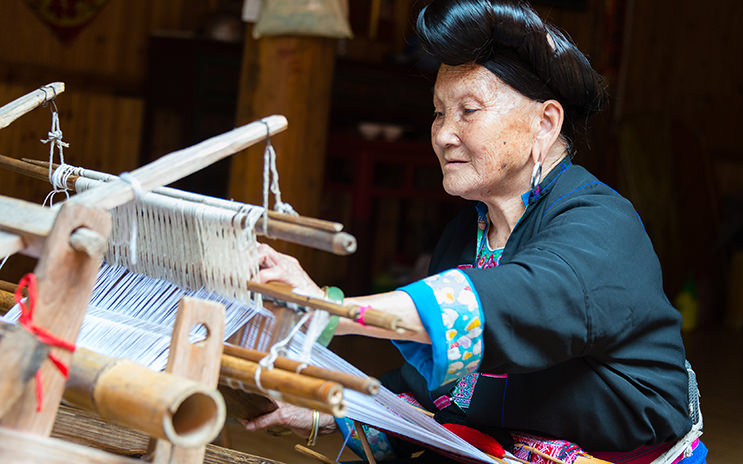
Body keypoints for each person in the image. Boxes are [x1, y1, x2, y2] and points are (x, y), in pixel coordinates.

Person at [246, 1, 706, 462]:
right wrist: (326, 409)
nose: (444, 134)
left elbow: (520, 301)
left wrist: (328, 311)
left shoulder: (601, 223)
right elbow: (446, 393)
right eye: (438, 113)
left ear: (544, 123)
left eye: (468, 110)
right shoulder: (466, 235)